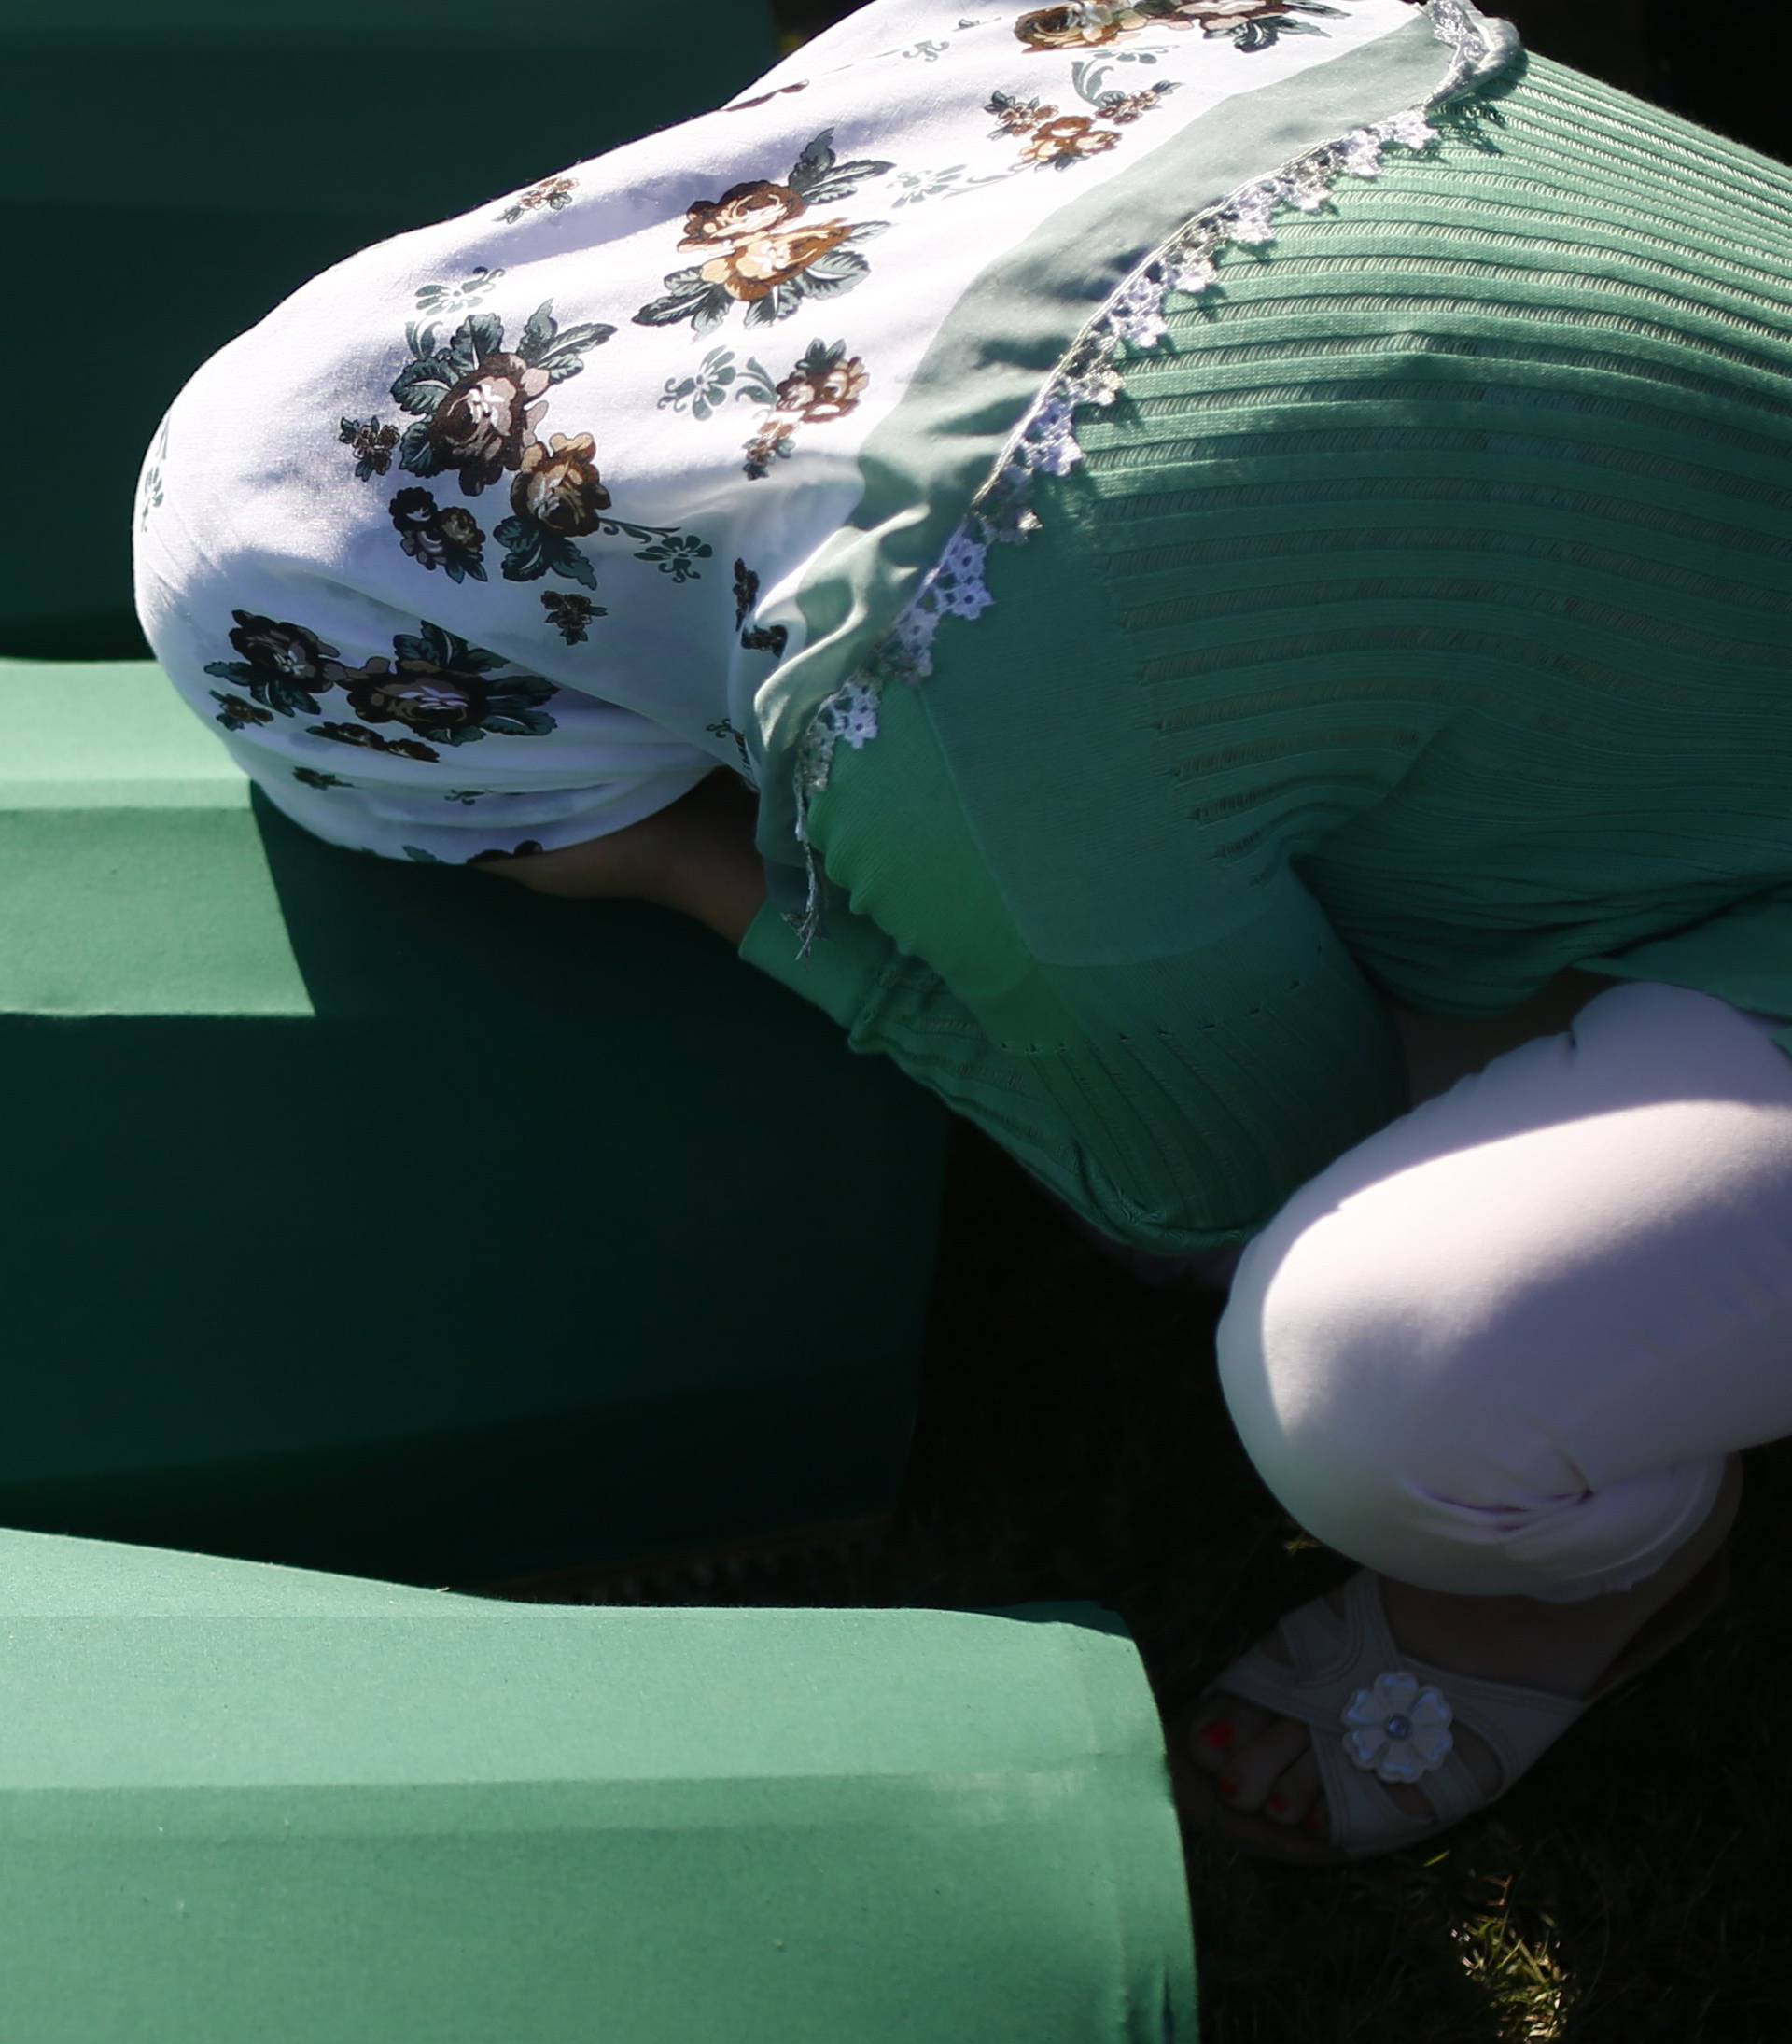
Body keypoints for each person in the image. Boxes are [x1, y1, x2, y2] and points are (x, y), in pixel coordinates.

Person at [133, 0, 1792, 1865]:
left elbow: (1218, 1165)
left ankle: (1569, 1585)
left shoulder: (926, 698)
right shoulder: (1023, 40)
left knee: (1376, 1361)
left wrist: (700, 873)